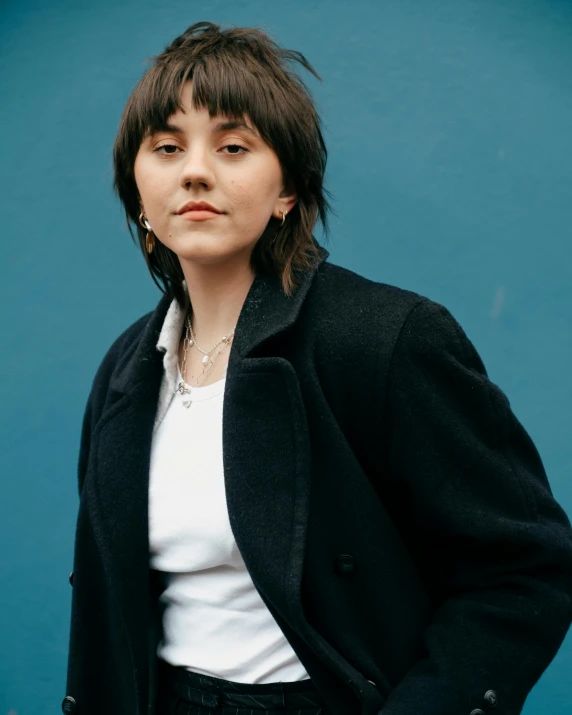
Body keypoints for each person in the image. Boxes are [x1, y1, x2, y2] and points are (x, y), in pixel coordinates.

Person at [62, 20, 572, 715]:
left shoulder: (383, 337)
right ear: (140, 196)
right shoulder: (126, 370)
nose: (195, 170)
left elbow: (523, 568)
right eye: (167, 146)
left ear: (288, 191)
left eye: (233, 145)